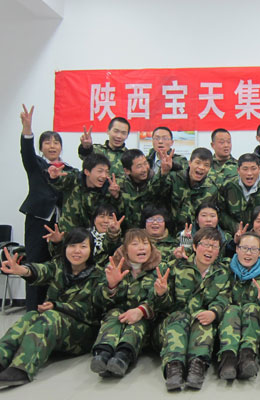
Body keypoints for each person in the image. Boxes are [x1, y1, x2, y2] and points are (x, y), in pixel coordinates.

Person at [0, 228, 102, 388]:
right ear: (65, 248)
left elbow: (90, 311)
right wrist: (23, 270)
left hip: (81, 334)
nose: (77, 251)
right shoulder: (59, 266)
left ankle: (21, 369)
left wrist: (56, 306)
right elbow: (41, 270)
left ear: (91, 250)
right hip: (53, 325)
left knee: (51, 316)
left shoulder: (99, 275)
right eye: (72, 246)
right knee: (31, 316)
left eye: (83, 246)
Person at [153, 227, 231, 391]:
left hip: (200, 327)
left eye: (214, 246)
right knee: (180, 318)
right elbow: (161, 306)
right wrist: (160, 294)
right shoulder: (177, 267)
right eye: (205, 244)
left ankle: (197, 366)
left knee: (204, 322)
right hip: (171, 324)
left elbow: (223, 298)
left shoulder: (222, 273)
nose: (209, 250)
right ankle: (174, 367)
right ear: (195, 246)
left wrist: (214, 312)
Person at [18, 104, 74, 311]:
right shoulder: (36, 165)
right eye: (47, 142)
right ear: (41, 148)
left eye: (56, 142)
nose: (52, 146)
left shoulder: (69, 170)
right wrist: (27, 129)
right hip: (38, 222)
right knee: (35, 264)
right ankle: (33, 310)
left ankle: (54, 309)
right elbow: (26, 151)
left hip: (61, 225)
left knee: (59, 266)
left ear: (61, 147)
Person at [90, 229, 162, 378]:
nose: (141, 248)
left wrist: (141, 310)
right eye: (135, 244)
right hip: (118, 313)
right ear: (125, 250)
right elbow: (97, 301)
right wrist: (111, 286)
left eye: (145, 243)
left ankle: (122, 357)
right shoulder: (114, 267)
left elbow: (163, 301)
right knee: (114, 316)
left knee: (137, 324)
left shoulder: (160, 268)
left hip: (146, 320)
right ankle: (103, 354)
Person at [217, 232, 260, 380]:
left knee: (252, 308)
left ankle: (247, 357)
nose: (248, 253)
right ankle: (228, 359)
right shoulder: (225, 269)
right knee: (232, 309)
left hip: (253, 325)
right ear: (237, 249)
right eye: (244, 248)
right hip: (226, 324)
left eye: (253, 249)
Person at [48, 153, 118, 233]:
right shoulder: (75, 179)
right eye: (100, 171)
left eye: (107, 172)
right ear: (87, 172)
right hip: (69, 233)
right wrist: (55, 178)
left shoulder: (109, 188)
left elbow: (116, 211)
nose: (104, 176)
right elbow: (61, 181)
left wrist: (116, 196)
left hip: (95, 235)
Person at [217, 153, 260, 235]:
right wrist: (235, 227)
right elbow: (221, 212)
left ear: (259, 169)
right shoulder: (228, 186)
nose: (249, 173)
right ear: (238, 170)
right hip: (234, 234)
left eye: (253, 169)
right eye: (245, 169)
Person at [158, 147, 218, 231]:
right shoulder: (175, 178)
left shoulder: (211, 189)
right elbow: (155, 194)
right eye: (198, 163)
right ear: (190, 163)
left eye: (206, 165)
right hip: (169, 232)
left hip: (194, 234)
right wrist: (163, 172)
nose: (201, 167)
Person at [117, 149, 161, 230]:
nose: (144, 169)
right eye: (139, 166)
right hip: (128, 232)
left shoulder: (156, 181)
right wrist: (115, 197)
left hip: (151, 232)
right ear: (127, 171)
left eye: (145, 163)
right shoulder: (119, 185)